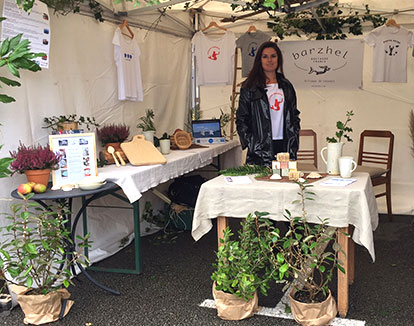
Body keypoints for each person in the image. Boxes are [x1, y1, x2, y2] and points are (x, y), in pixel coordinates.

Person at [236, 41, 300, 167]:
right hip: (260, 148)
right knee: (260, 183)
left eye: (273, 56)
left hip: (284, 145)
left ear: (279, 59)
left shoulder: (287, 86)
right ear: (259, 60)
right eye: (265, 56)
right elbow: (241, 118)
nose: (269, 60)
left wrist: (294, 140)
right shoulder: (250, 87)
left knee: (284, 182)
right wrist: (252, 143)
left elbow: (294, 116)